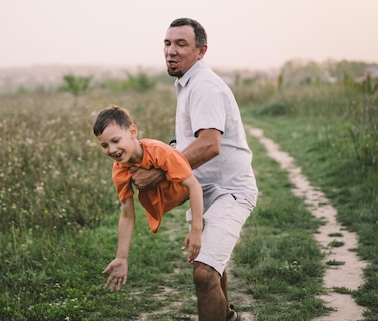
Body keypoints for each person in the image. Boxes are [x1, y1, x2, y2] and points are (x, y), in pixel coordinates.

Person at [130, 18, 258, 321]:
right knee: (215, 265)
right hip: (206, 189)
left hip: (231, 191)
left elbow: (210, 145)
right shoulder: (187, 82)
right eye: (167, 43)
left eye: (181, 44)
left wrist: (161, 173)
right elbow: (190, 140)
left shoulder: (204, 86)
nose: (171, 51)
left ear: (201, 51)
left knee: (204, 272)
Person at [92, 104, 204, 293]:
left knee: (174, 161)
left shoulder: (159, 152)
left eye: (115, 140)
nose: (111, 149)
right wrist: (122, 257)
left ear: (133, 131)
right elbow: (127, 215)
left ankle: (177, 147)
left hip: (187, 186)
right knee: (166, 164)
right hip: (169, 192)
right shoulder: (120, 169)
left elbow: (194, 186)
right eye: (104, 145)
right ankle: (175, 150)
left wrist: (196, 228)